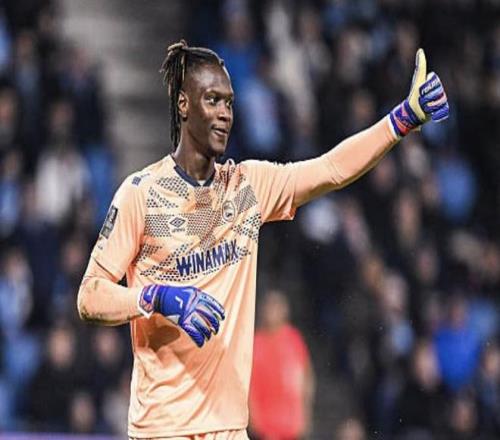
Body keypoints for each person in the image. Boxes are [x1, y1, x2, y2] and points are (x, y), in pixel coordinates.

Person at [77, 39, 449, 439]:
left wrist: (402, 120)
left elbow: (331, 169)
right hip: (162, 429)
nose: (225, 113)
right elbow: (90, 297)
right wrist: (155, 297)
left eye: (229, 103)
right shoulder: (140, 194)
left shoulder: (247, 187)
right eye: (212, 100)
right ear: (183, 105)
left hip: (230, 430)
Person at [249, 289, 314, 439]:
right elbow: (248, 385)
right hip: (265, 426)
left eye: (277, 307)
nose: (272, 312)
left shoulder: (294, 339)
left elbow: (307, 376)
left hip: (291, 424)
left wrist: (306, 413)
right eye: (269, 307)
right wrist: (254, 419)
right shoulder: (256, 343)